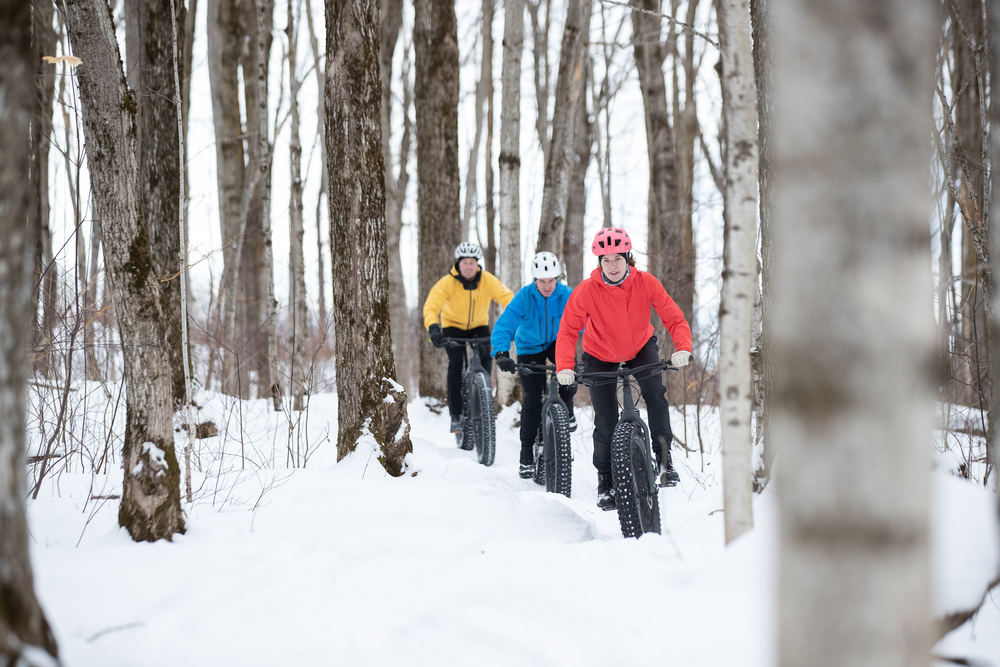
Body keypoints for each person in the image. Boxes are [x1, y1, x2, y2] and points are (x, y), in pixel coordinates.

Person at [555, 227, 692, 511]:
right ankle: (605, 480)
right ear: (599, 263)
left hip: (640, 347)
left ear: (627, 258)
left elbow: (674, 317)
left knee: (655, 393)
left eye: (617, 258)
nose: (612, 266)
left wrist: (683, 348)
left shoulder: (646, 282)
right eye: (606, 260)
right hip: (599, 352)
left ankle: (665, 461)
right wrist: (565, 366)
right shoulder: (587, 290)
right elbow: (568, 330)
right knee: (605, 417)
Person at [491, 251, 578, 479]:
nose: (547, 286)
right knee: (532, 399)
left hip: (558, 342)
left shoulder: (567, 295)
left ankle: (567, 407)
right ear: (534, 280)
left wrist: (594, 350)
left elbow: (587, 322)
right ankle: (526, 453)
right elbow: (504, 325)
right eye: (542, 281)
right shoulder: (524, 297)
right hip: (529, 347)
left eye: (551, 281)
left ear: (558, 279)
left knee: (570, 371)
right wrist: (501, 353)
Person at [424, 242, 514, 435]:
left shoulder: (487, 280)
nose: (468, 266)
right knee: (455, 364)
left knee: (485, 358)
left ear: (476, 264)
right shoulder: (447, 283)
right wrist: (433, 329)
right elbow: (431, 306)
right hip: (452, 327)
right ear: (459, 264)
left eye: (472, 262)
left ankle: (484, 401)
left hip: (478, 326)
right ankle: (456, 415)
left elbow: (508, 298)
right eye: (465, 262)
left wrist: (514, 321)